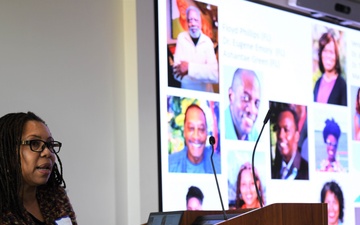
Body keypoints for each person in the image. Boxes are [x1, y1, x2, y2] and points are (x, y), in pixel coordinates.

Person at [0, 112, 77, 224]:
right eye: (34, 143)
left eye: (50, 145)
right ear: (8, 152)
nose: (47, 152)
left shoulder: (55, 197)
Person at [173, 6, 219, 92]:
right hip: (187, 93)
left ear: (200, 23)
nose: (193, 23)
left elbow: (215, 75)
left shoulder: (207, 41)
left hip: (206, 94)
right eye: (190, 20)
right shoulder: (181, 38)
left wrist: (189, 68)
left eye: (195, 20)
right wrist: (204, 73)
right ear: (187, 22)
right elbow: (177, 74)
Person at [168, 104, 221, 173]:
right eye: (191, 128)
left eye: (201, 129)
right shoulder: (169, 165)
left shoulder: (219, 166)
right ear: (184, 132)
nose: (196, 136)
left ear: (206, 133)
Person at [271, 107, 309, 180]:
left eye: (286, 130)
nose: (280, 135)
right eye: (278, 129)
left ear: (297, 136)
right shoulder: (273, 171)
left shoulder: (306, 172)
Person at [225, 68, 261, 141]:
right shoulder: (219, 130)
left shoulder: (255, 136)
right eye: (245, 98)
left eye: (256, 103)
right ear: (231, 96)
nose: (252, 110)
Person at [314, 30, 347, 106]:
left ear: (336, 56)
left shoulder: (342, 85)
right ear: (321, 54)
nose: (328, 56)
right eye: (325, 51)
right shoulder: (318, 83)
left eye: (331, 52)